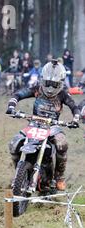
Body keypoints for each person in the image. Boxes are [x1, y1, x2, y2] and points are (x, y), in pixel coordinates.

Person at [6, 60, 80, 191]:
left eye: (54, 84)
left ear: (60, 83)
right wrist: (12, 105)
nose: (50, 88)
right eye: (48, 83)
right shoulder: (37, 89)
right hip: (34, 124)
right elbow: (18, 94)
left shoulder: (63, 93)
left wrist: (75, 118)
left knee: (62, 144)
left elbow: (74, 107)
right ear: (43, 80)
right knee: (14, 143)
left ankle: (59, 177)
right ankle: (19, 173)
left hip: (53, 126)